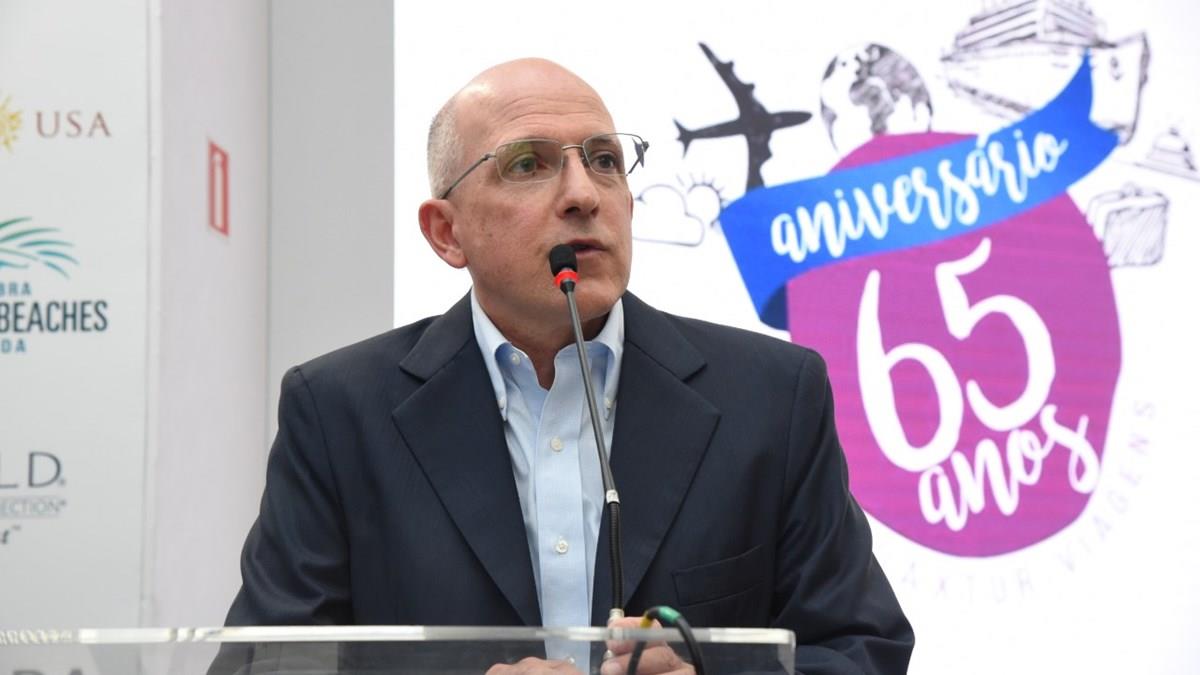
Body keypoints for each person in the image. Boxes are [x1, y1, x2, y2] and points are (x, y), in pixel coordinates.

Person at [223, 58, 914, 674]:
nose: (584, 194)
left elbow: (861, 648)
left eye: (605, 160)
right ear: (446, 232)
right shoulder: (339, 413)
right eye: (529, 164)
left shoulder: (771, 398)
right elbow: (264, 666)